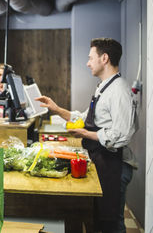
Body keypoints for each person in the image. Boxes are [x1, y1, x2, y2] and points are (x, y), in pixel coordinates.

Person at [36, 38, 137, 233]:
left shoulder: (119, 90)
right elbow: (83, 118)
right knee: (101, 219)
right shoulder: (104, 87)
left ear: (104, 58)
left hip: (115, 165)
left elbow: (121, 135)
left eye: (91, 58)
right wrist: (56, 109)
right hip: (103, 161)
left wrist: (85, 134)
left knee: (112, 223)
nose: (88, 62)